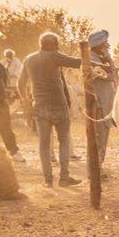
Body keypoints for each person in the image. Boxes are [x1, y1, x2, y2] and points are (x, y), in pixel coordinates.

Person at [18, 32, 82, 187]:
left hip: (39, 106)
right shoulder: (54, 56)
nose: (58, 47)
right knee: (64, 141)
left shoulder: (29, 59)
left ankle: (48, 180)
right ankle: (64, 177)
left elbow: (20, 84)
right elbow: (78, 63)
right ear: (51, 44)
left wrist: (27, 102)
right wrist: (96, 59)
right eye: (56, 44)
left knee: (44, 144)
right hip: (58, 105)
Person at [88, 30, 118, 169]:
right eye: (105, 43)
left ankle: (98, 167)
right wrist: (109, 58)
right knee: (100, 139)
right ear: (100, 45)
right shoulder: (93, 60)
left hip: (105, 104)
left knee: (102, 138)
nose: (108, 45)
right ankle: (96, 169)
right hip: (100, 106)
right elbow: (111, 75)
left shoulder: (98, 59)